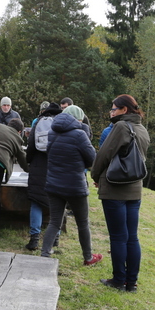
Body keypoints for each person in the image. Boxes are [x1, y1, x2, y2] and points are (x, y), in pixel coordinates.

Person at [90, 94, 150, 292]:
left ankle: (118, 279)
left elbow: (104, 154)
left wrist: (96, 176)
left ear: (124, 110)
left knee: (118, 236)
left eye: (114, 109)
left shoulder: (121, 127)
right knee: (132, 237)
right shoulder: (142, 130)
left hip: (115, 188)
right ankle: (131, 283)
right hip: (134, 190)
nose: (111, 112)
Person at [40, 105, 101, 266]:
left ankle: (44, 253)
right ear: (77, 119)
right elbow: (92, 159)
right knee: (83, 223)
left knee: (54, 221)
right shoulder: (80, 134)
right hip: (75, 186)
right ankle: (88, 257)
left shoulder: (52, 132)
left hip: (53, 184)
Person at [25, 102, 62, 250]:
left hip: (38, 166)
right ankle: (55, 238)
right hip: (57, 167)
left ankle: (34, 239)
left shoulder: (39, 122)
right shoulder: (62, 124)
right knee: (57, 204)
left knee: (36, 201)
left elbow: (31, 145)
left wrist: (30, 161)